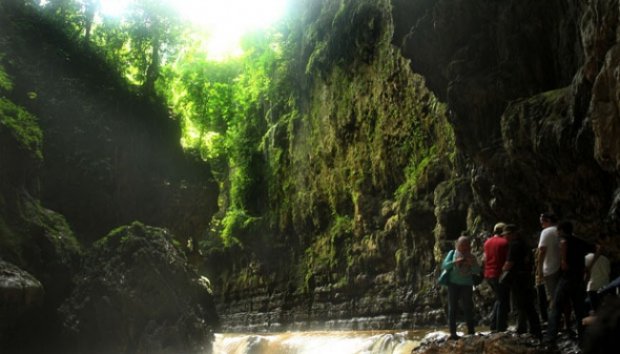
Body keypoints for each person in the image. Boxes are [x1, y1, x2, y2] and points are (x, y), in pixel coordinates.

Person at [544, 221, 593, 343]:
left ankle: (550, 338)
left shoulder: (564, 239)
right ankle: (583, 338)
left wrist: (563, 260)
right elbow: (597, 248)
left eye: (558, 230)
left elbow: (563, 243)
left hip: (567, 279)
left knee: (556, 307)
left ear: (561, 230)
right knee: (580, 310)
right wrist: (589, 267)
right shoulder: (580, 241)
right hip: (579, 279)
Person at [502, 224, 542, 339]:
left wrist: (503, 269)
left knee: (521, 304)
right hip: (526, 277)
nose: (505, 237)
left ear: (512, 234)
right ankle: (534, 329)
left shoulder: (514, 245)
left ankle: (522, 329)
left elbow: (509, 263)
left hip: (518, 279)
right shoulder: (525, 244)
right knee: (528, 304)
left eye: (506, 235)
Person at [441, 235, 481, 340]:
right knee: (452, 308)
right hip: (453, 284)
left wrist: (471, 264)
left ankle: (471, 332)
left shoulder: (471, 257)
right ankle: (453, 333)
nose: (464, 248)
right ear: (458, 245)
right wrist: (454, 262)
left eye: (466, 246)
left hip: (467, 284)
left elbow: (477, 271)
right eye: (462, 245)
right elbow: (444, 266)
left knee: (468, 308)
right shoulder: (452, 254)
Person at [483, 222, 509, 331]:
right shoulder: (505, 242)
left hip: (488, 274)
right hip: (499, 274)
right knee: (503, 301)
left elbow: (484, 258)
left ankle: (494, 325)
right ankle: (500, 327)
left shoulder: (487, 242)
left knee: (499, 299)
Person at [536, 213, 560, 317]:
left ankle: (554, 323)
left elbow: (542, 251)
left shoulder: (546, 232)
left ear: (548, 221)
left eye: (542, 222)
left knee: (552, 297)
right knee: (563, 296)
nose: (542, 225)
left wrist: (539, 270)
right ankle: (566, 323)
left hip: (549, 269)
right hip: (561, 267)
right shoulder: (560, 230)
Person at [585, 234, 611, 313]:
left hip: (592, 287)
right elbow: (608, 273)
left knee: (596, 310)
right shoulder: (605, 259)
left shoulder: (586, 258)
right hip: (604, 286)